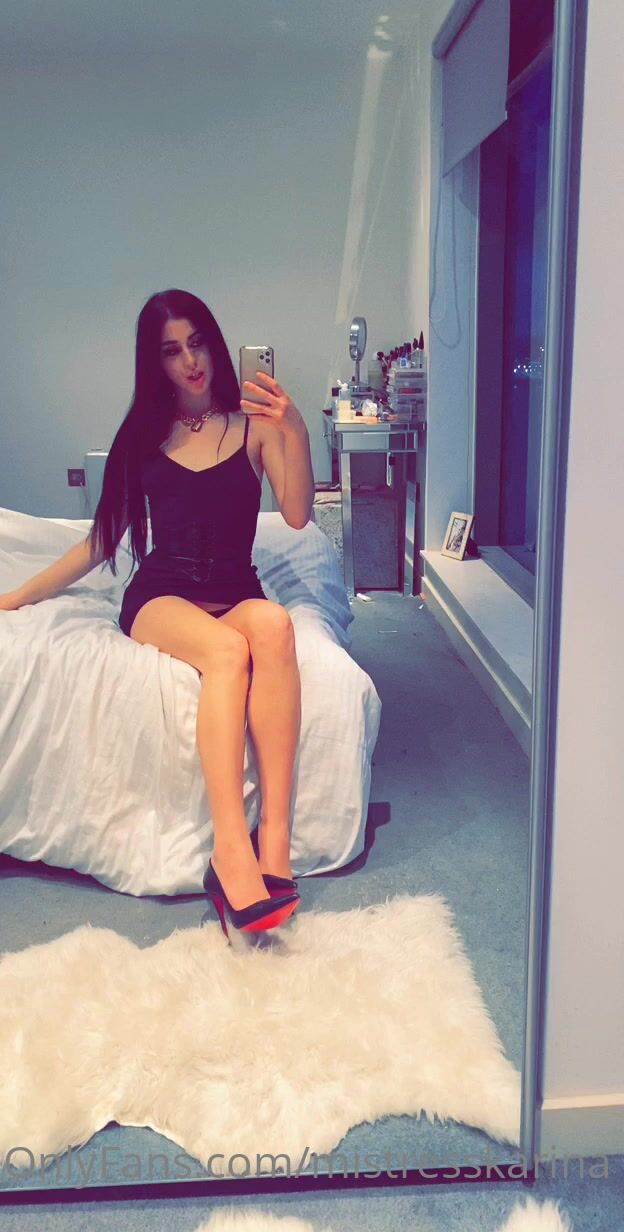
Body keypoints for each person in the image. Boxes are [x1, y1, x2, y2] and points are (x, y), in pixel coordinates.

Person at [0, 288, 316, 940]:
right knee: (226, 654)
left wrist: (296, 431)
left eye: (197, 343)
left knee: (275, 627)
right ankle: (230, 851)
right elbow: (100, 540)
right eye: (173, 351)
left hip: (236, 589)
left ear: (215, 345)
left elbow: (296, 514)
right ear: (156, 362)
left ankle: (274, 843)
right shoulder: (143, 435)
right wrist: (19, 595)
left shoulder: (254, 424)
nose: (191, 361)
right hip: (161, 596)